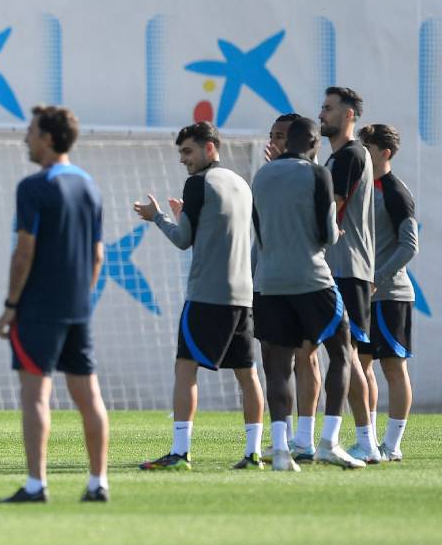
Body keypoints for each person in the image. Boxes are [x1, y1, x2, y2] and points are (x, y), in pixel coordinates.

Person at [134, 122, 265, 470]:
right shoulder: (241, 183)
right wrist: (186, 216)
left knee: (185, 368)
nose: (183, 160)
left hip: (207, 294)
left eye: (188, 152)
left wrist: (158, 217)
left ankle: (180, 452)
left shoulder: (198, 184)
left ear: (210, 148)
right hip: (243, 296)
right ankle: (253, 453)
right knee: (247, 373)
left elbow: (182, 240)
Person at [0, 106, 110, 503]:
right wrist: (82, 296)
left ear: (47, 138)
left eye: (30, 131)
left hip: (39, 309)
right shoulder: (89, 185)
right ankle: (98, 483)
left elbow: (23, 253)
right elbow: (97, 255)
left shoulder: (34, 186)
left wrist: (11, 305)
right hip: (78, 308)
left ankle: (36, 484)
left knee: (36, 396)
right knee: (88, 396)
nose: (26, 138)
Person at [251, 116, 363, 471]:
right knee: (342, 352)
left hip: (269, 281)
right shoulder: (318, 174)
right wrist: (334, 236)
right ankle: (329, 441)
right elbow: (327, 234)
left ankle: (282, 450)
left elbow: (260, 230)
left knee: (279, 366)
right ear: (314, 142)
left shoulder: (262, 174)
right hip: (312, 279)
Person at [318, 86, 380, 463]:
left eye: (328, 108)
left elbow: (332, 211)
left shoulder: (349, 156)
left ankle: (366, 440)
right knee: (341, 354)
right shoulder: (339, 158)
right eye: (322, 107)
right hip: (342, 268)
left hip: (346, 268)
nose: (322, 113)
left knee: (348, 355)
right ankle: (319, 437)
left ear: (349, 115)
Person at [264, 113, 323, 461]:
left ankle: (307, 437)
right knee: (273, 356)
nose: (275, 141)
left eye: (282, 135)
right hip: (270, 277)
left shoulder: (314, 174)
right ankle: (282, 438)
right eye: (272, 135)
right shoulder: (265, 177)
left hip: (308, 278)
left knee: (307, 356)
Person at [357, 123, 418, 461]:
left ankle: (392, 446)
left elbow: (410, 246)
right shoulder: (365, 188)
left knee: (394, 369)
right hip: (364, 294)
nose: (361, 154)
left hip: (390, 294)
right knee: (362, 366)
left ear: (385, 153)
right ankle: (366, 442)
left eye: (366, 148)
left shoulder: (396, 192)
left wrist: (378, 276)